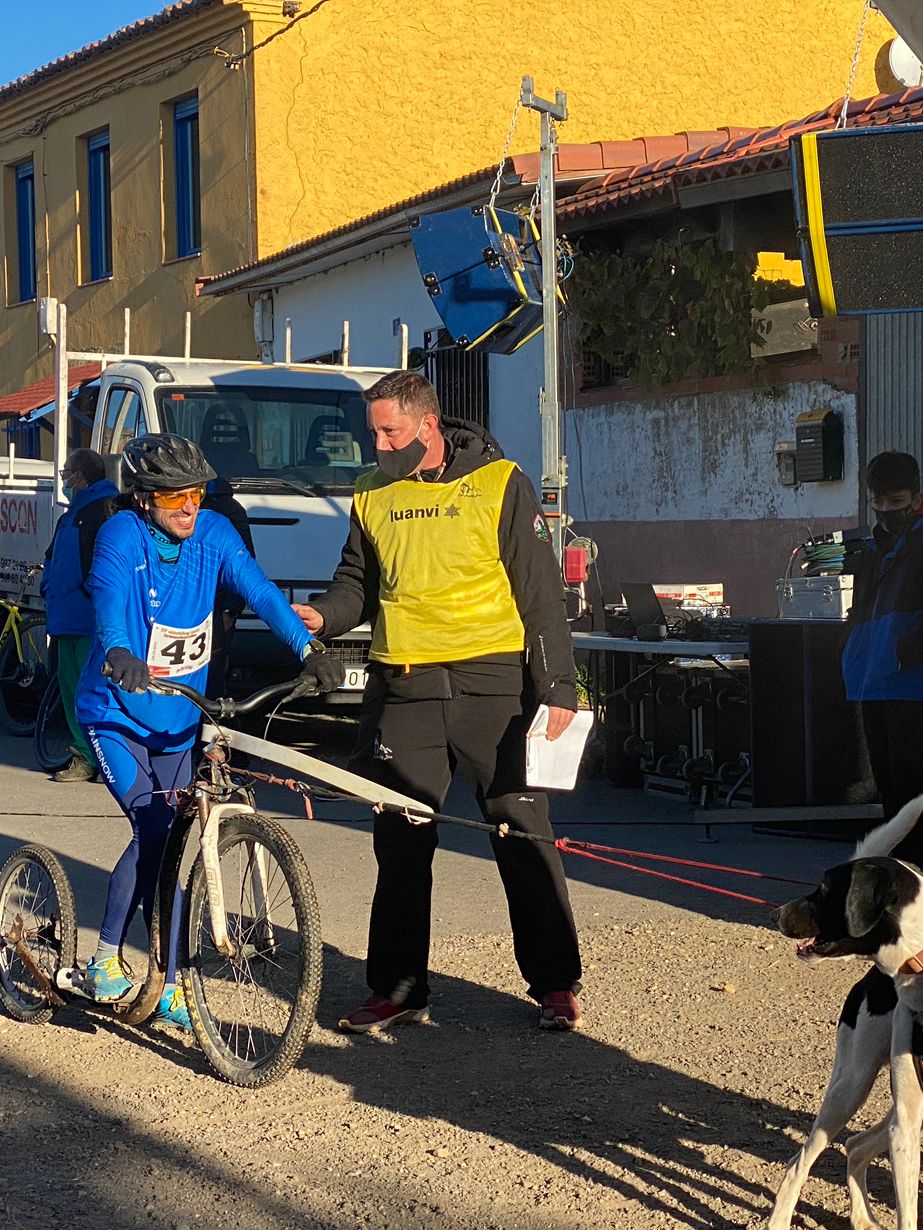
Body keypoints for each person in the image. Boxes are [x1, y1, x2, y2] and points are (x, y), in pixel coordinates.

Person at [294, 369, 585, 1034]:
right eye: (373, 433)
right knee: (400, 844)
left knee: (520, 832)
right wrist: (321, 616)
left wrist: (558, 690)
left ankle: (554, 985)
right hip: (407, 690)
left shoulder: (499, 482)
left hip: (493, 688)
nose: (379, 446)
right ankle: (398, 989)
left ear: (427, 425)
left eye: (389, 431)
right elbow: (356, 583)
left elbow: (539, 593)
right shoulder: (371, 492)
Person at [76, 433, 336, 1027]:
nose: (190, 506)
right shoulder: (121, 535)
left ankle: (170, 984)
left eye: (196, 492)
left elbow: (260, 591)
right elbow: (109, 601)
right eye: (175, 496)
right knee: (154, 826)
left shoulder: (215, 533)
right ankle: (105, 956)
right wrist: (118, 650)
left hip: (179, 717)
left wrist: (307, 647)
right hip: (115, 712)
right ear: (144, 498)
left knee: (176, 843)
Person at [841, 450, 923, 872]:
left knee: (906, 773)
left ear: (916, 496)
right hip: (870, 672)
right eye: (879, 502)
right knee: (884, 777)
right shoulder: (872, 548)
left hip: (908, 677)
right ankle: (899, 857)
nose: (886, 510)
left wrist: (913, 648)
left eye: (895, 500)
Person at [41, 447, 119, 783]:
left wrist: (87, 594)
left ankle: (101, 759)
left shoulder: (104, 511)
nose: (64, 480)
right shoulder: (72, 514)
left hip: (89, 618)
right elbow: (53, 555)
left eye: (66, 473)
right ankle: (86, 755)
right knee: (73, 689)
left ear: (80, 476)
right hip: (67, 616)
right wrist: (48, 585)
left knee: (96, 692)